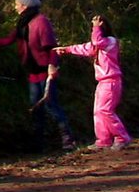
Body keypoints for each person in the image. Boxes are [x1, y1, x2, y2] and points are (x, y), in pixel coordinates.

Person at [0, 0, 77, 152]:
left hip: (45, 71)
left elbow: (52, 48)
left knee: (51, 105)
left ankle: (68, 140)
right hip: (33, 72)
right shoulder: (23, 23)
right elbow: (9, 39)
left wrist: (52, 66)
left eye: (17, 4)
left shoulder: (41, 22)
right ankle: (38, 144)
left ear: (25, 5)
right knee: (36, 108)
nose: (15, 7)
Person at [54, 15, 132, 149]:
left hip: (111, 81)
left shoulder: (111, 42)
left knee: (105, 110)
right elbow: (83, 48)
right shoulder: (99, 45)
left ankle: (122, 137)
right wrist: (66, 49)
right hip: (103, 81)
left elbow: (96, 42)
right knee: (98, 111)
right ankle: (103, 140)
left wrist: (96, 27)